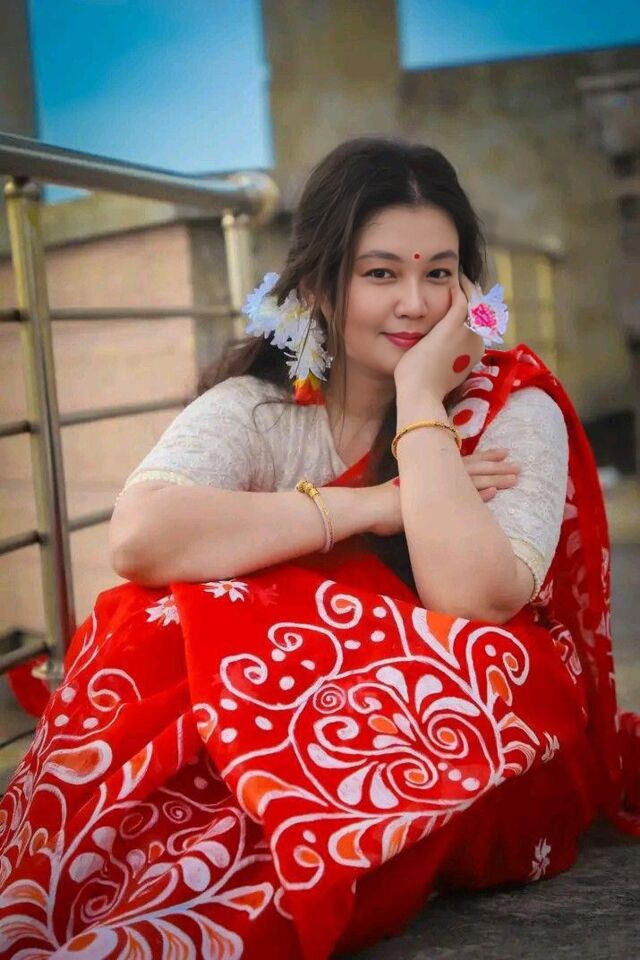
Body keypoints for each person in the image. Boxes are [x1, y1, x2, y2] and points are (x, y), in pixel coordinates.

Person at [1, 137, 638, 960]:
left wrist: (421, 399)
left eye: (439, 273)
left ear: (469, 291)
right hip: (290, 727)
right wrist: (374, 505)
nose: (415, 303)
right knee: (157, 620)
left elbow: (475, 601)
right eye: (381, 273)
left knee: (464, 656)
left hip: (469, 731)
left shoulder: (513, 408)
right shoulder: (260, 409)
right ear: (319, 288)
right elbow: (140, 537)